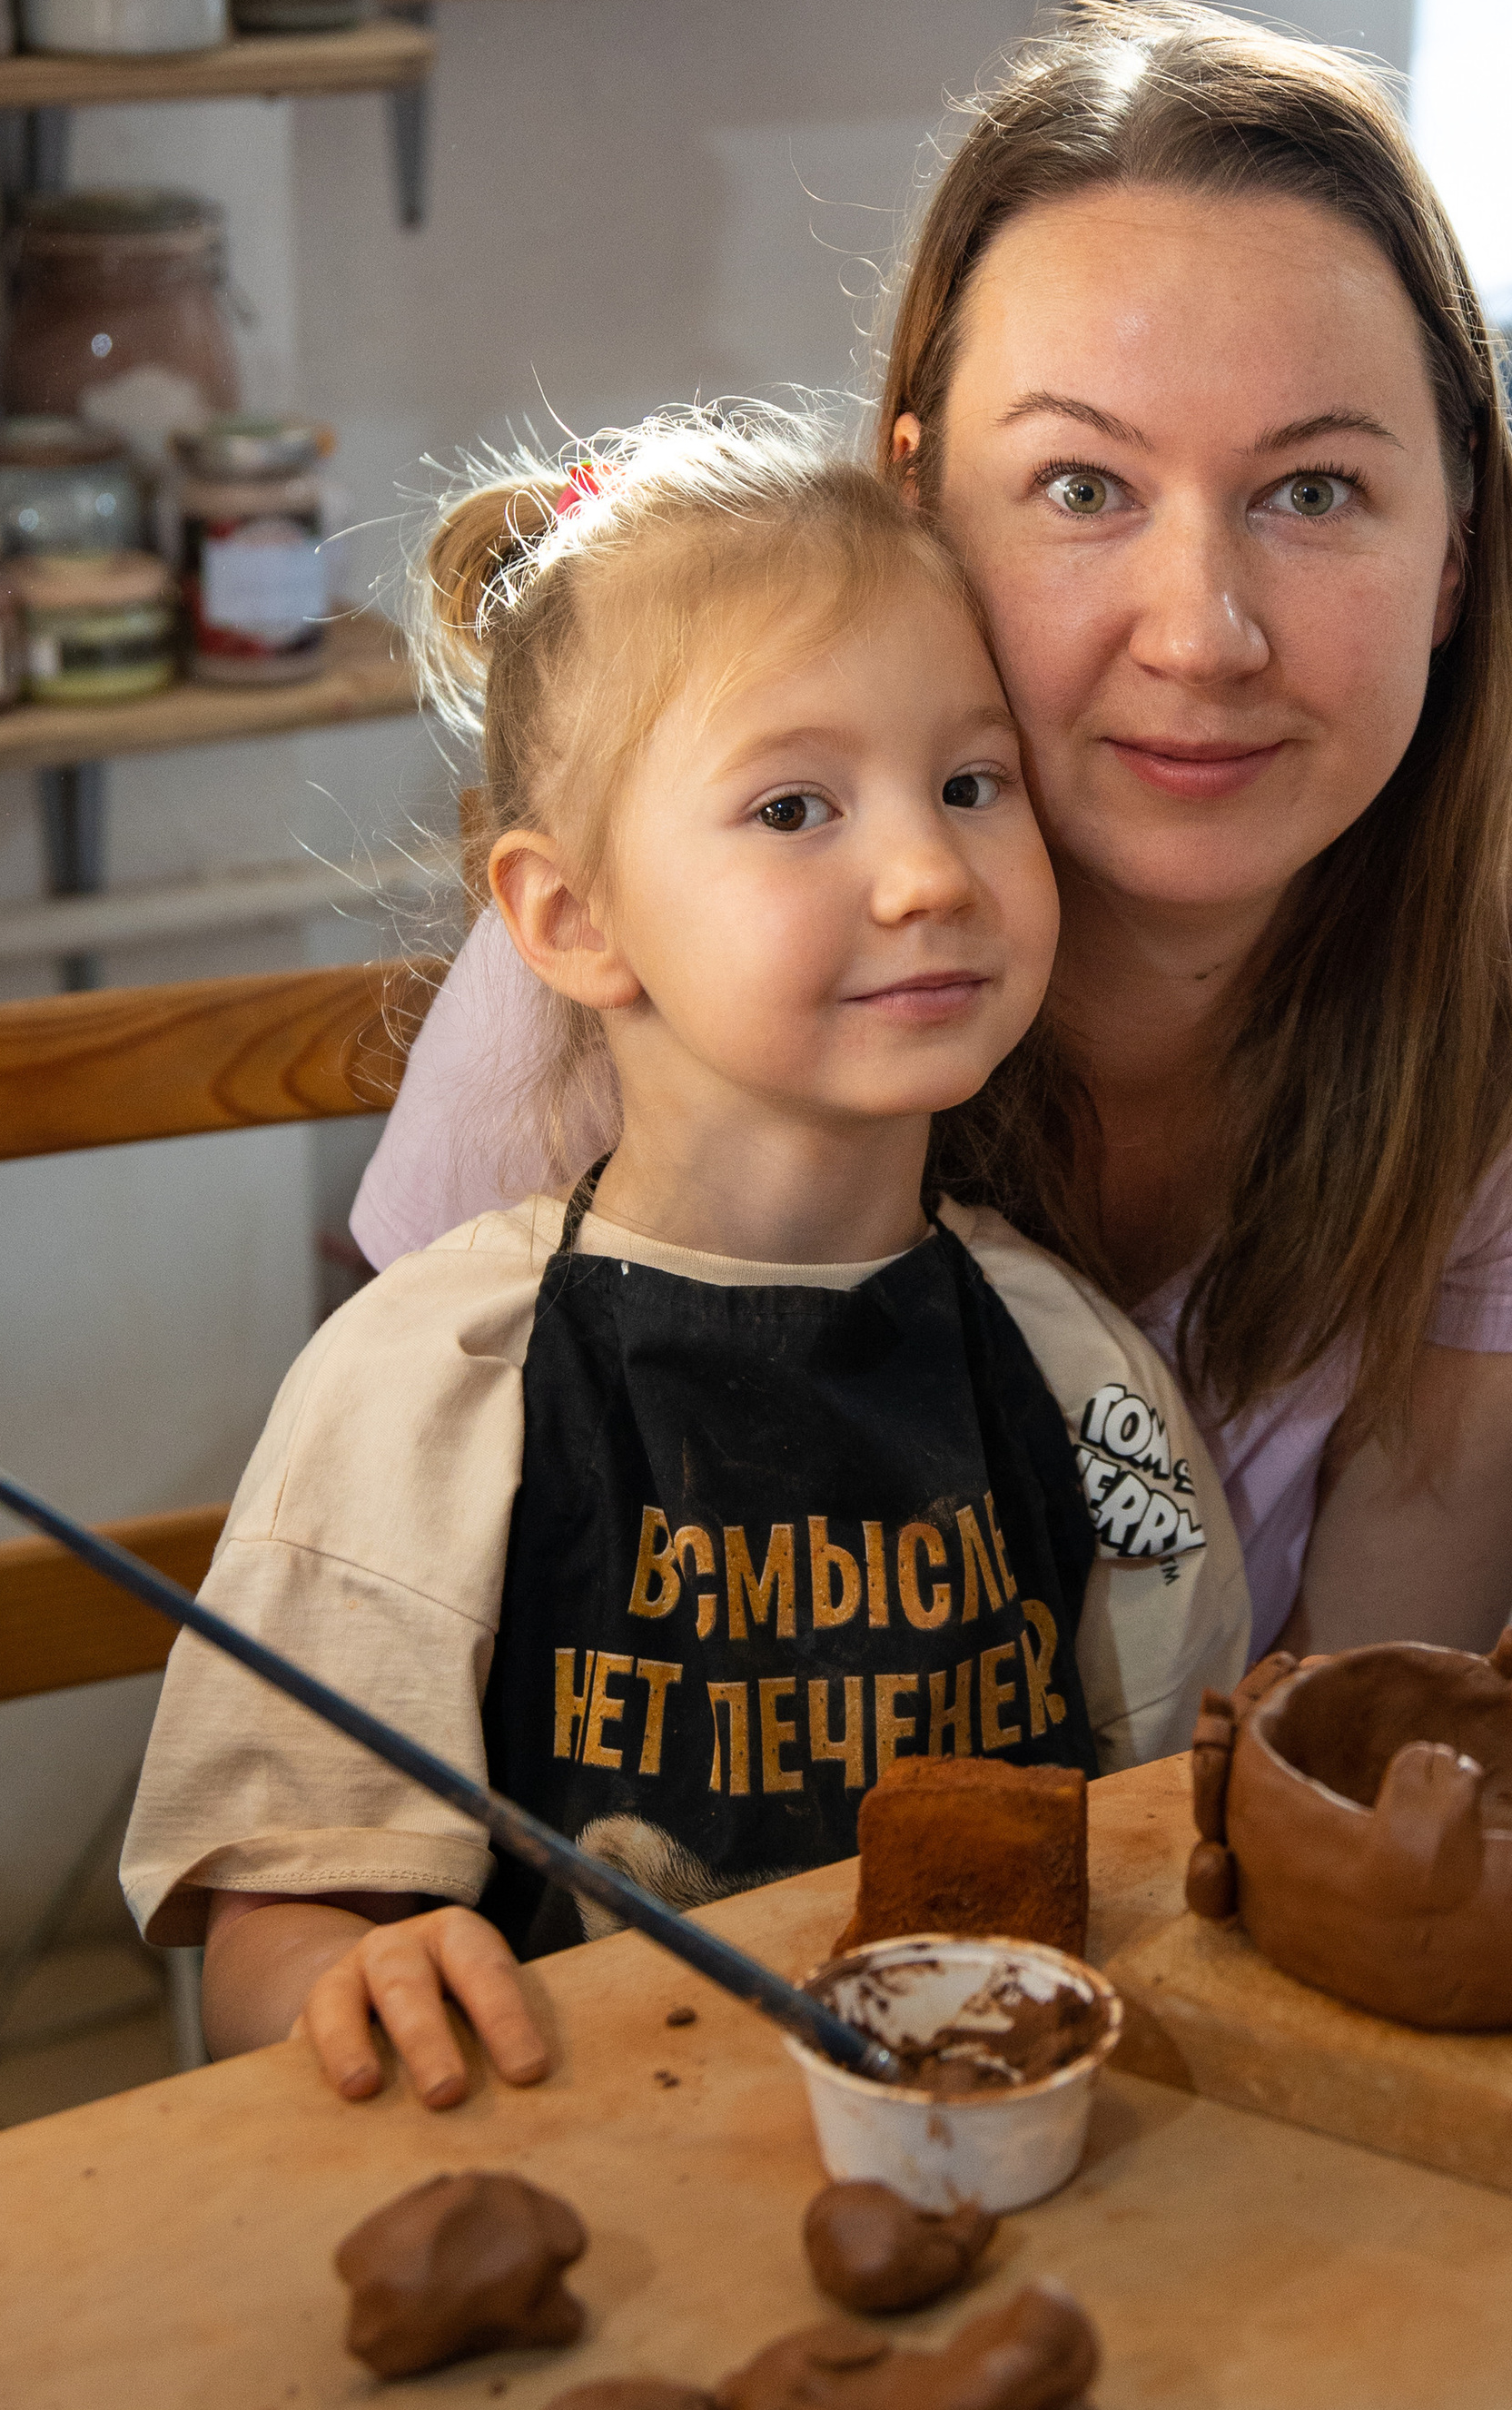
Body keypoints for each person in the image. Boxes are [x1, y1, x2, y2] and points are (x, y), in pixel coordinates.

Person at [357, 4, 1512, 1679]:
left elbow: (1340, 1728)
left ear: (1456, 545)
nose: (1203, 637)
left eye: (1313, 492)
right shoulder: (645, 960)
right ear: (920, 504)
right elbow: (382, 1688)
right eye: (1083, 488)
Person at [121, 410, 1248, 2109]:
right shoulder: (434, 1387)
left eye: (971, 784)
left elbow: (1170, 1833)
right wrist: (350, 1975)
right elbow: (272, 1945)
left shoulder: (1074, 1371)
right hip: (580, 2168)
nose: (928, 874)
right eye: (794, 806)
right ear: (571, 918)